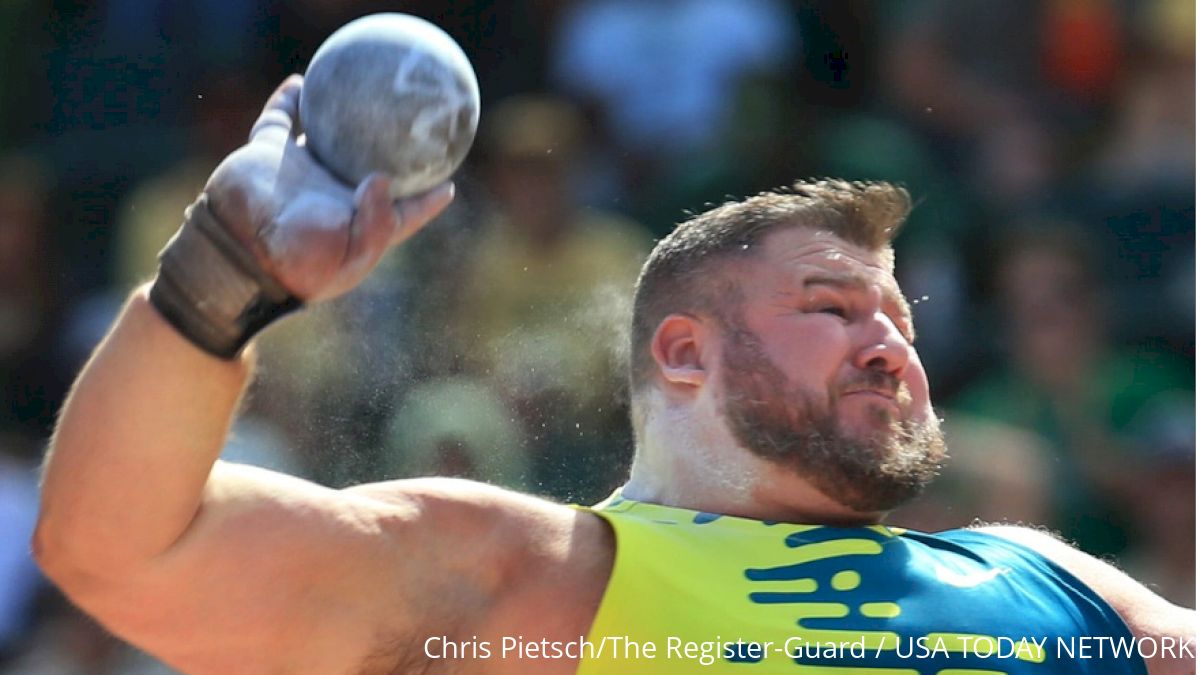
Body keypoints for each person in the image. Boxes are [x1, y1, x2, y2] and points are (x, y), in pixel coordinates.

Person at [33, 77, 1193, 675]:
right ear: (684, 353)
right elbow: (121, 550)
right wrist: (216, 283)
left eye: (899, 316)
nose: (891, 342)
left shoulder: (1043, 577)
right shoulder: (530, 583)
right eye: (832, 309)